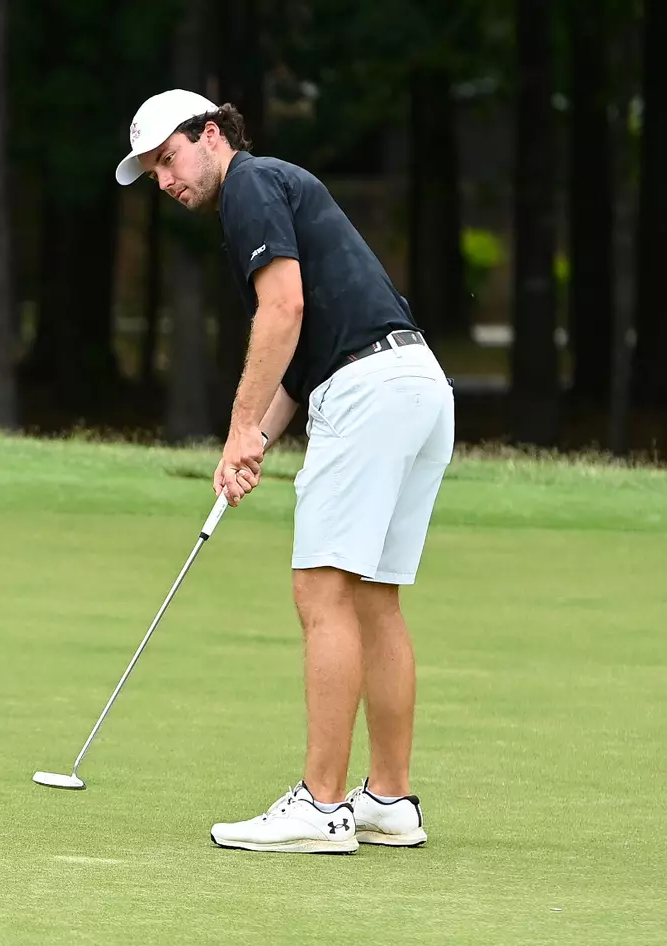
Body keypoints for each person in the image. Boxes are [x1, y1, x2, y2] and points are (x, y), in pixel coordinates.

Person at [114, 89, 455, 854]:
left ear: (210, 135)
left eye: (169, 158)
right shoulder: (280, 188)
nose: (167, 181)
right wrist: (256, 443)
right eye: (153, 172)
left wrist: (236, 427)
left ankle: (321, 806)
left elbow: (283, 312)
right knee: (374, 599)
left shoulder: (249, 186)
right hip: (417, 386)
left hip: (368, 393)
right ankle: (389, 801)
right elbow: (301, 359)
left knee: (321, 590)